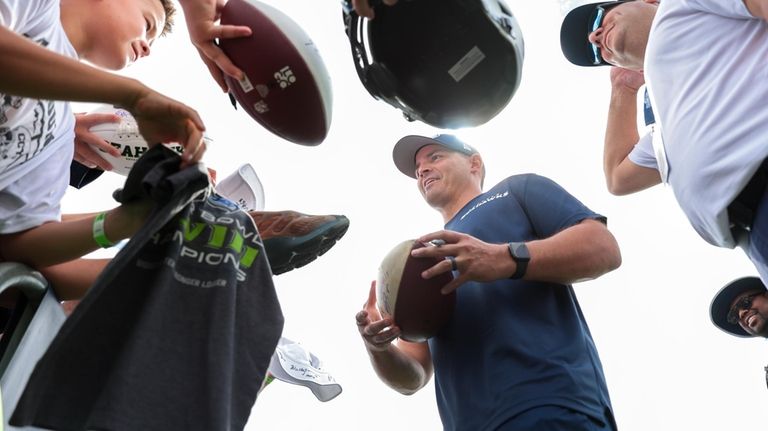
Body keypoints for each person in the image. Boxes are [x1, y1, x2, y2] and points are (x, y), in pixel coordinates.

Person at [355, 133, 622, 430]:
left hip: (550, 404)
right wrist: (377, 348)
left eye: (435, 157)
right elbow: (412, 376)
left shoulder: (516, 191)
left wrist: (504, 258)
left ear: (474, 163)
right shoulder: (422, 261)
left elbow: (603, 248)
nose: (422, 170)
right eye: (418, 168)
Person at [559, 0, 768, 284]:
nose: (595, 38)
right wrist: (622, 87)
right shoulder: (666, 122)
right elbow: (618, 177)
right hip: (755, 234)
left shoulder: (680, 5)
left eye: (598, 19)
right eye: (599, 55)